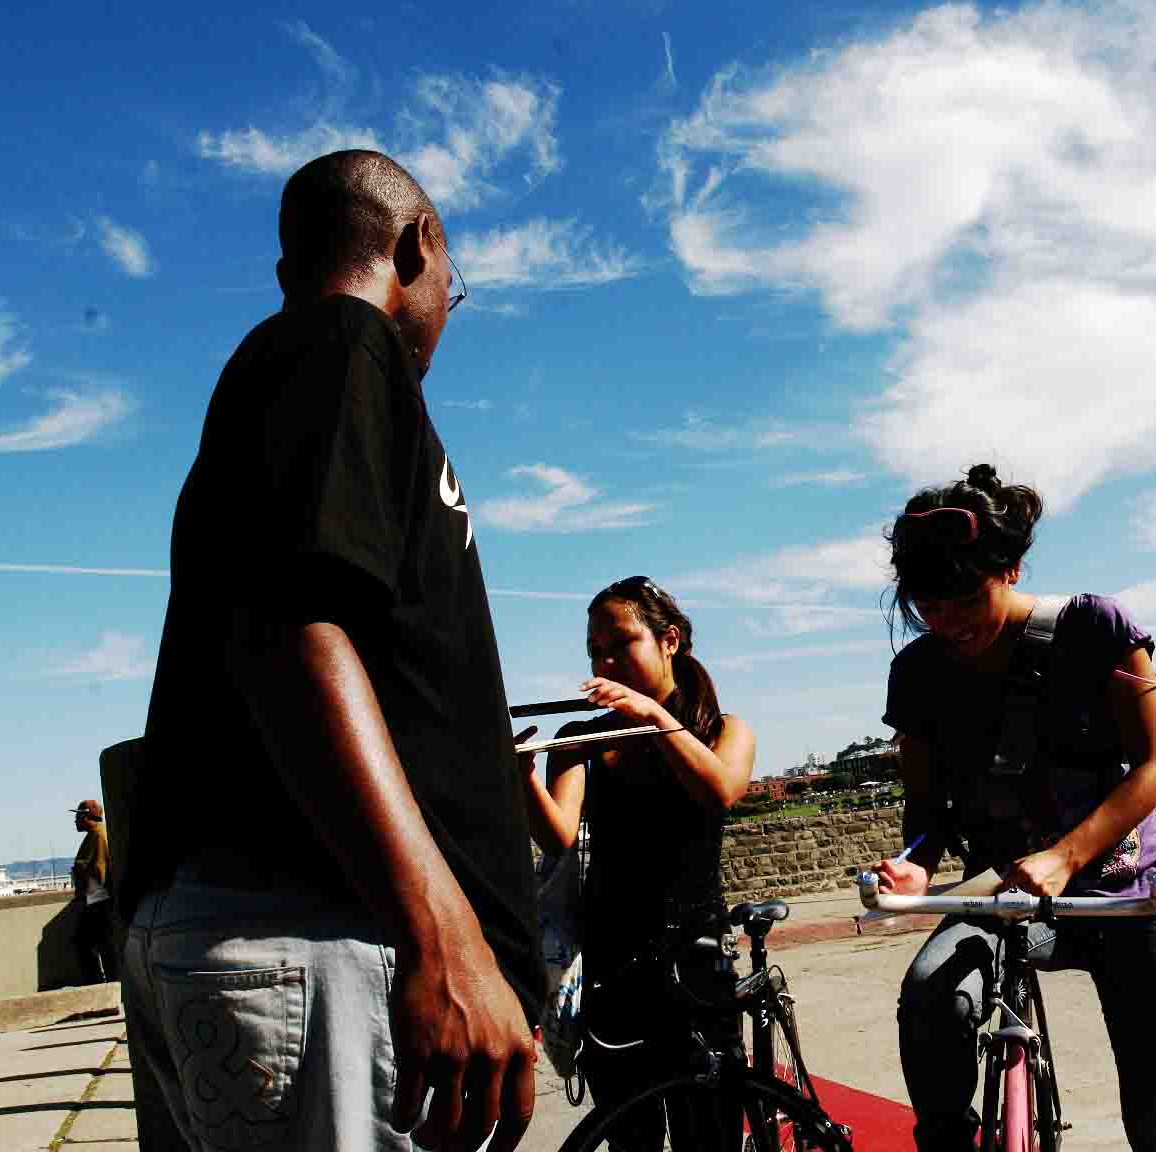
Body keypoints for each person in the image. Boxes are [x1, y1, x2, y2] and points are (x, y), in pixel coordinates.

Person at [124, 150, 541, 1152]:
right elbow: (292, 627)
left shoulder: (299, 372)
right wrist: (445, 934)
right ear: (417, 247)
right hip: (322, 942)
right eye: (456, 287)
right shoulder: (338, 343)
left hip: (302, 943)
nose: (450, 306)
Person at [872, 464, 1156, 1152]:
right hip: (1007, 899)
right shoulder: (918, 674)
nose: (947, 621)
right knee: (931, 997)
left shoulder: (1095, 627)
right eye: (927, 605)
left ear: (1012, 568)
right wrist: (915, 868)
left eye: (965, 598)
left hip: (1130, 894)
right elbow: (928, 806)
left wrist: (1065, 855)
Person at [522, 577, 754, 1150]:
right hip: (612, 965)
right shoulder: (580, 736)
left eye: (619, 643)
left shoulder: (724, 731)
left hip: (696, 959)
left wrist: (653, 716)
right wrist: (520, 776)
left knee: (711, 1134)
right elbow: (558, 835)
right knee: (630, 1135)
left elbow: (719, 789)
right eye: (595, 650)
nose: (605, 660)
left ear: (668, 640)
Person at [69, 800, 116, 984]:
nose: (75, 820)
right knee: (97, 944)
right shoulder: (95, 835)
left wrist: (94, 906)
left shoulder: (98, 836)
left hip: (97, 903)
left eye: (78, 815)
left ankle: (98, 985)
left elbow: (99, 873)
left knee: (86, 943)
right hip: (96, 902)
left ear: (87, 816)